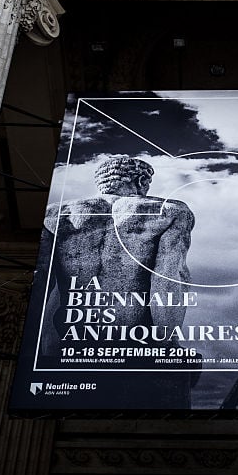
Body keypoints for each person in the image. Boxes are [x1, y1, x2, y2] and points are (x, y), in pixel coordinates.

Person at [39, 156, 198, 406]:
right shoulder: (170, 211)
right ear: (141, 180)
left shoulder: (55, 214)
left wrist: (41, 347)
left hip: (69, 342)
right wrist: (166, 341)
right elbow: (169, 278)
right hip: (137, 341)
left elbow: (42, 284)